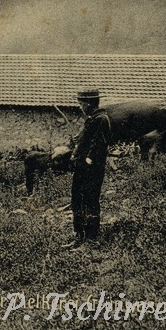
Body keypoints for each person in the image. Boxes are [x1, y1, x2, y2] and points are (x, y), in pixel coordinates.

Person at [64, 89, 112, 250]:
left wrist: (87, 159)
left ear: (89, 104)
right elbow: (86, 139)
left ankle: (91, 239)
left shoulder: (101, 119)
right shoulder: (91, 119)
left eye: (81, 103)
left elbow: (99, 143)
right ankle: (79, 236)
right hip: (81, 168)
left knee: (90, 201)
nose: (80, 107)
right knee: (77, 200)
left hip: (91, 169)